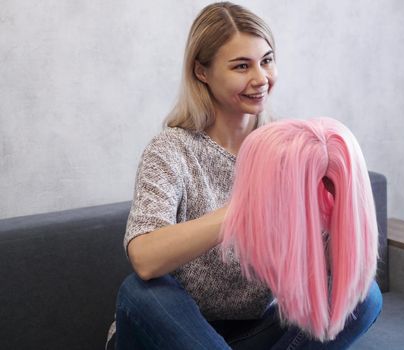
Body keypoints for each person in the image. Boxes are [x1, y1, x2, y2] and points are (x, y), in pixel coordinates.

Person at [112, 2, 382, 349]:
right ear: (202, 72)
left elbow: (323, 269)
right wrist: (246, 208)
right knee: (140, 292)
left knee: (364, 295)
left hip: (258, 332)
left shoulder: (291, 150)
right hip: (173, 332)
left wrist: (333, 212)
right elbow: (145, 259)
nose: (260, 78)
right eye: (242, 66)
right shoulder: (170, 150)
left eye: (267, 60)